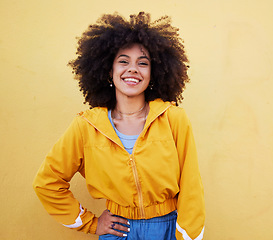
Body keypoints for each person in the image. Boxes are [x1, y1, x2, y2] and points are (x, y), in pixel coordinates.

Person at [33, 12, 205, 240]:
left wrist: (186, 236)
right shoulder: (86, 126)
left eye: (142, 63)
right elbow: (47, 182)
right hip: (118, 231)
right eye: (123, 61)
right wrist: (91, 223)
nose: (133, 69)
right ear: (109, 70)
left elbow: (191, 185)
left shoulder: (173, 118)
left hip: (169, 228)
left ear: (153, 73)